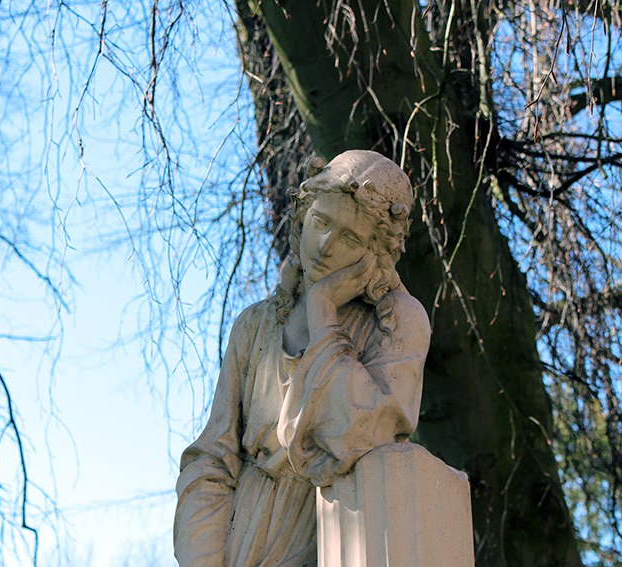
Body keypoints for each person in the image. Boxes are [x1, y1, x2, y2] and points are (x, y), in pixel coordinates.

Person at [173, 150, 431, 567]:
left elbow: (363, 433)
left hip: (334, 531)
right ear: (303, 215)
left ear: (376, 253)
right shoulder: (256, 325)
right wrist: (205, 557)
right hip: (242, 534)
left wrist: (324, 310)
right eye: (321, 221)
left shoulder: (398, 321)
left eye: (349, 237)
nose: (325, 245)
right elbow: (212, 460)